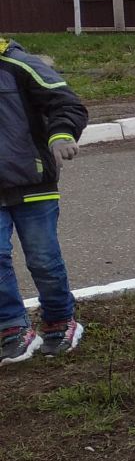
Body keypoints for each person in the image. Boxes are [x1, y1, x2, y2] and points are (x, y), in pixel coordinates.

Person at [0, 36, 89, 360]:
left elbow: (66, 103)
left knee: (43, 259)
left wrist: (61, 135)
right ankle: (12, 326)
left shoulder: (17, 64)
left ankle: (60, 320)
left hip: (32, 181)